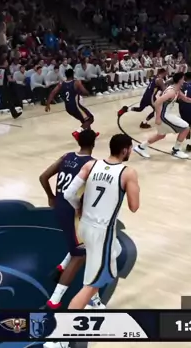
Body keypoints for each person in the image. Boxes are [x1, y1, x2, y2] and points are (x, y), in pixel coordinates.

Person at [47, 134, 140, 348]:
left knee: (114, 255)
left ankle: (95, 301)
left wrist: (79, 207)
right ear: (125, 150)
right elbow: (134, 206)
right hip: (102, 232)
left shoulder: (91, 165)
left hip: (84, 226)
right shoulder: (128, 173)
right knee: (91, 284)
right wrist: (133, 188)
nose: (131, 151)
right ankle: (59, 339)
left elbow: (69, 193)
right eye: (130, 148)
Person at [37, 129, 104, 309]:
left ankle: (62, 266)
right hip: (73, 212)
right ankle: (54, 300)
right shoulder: (92, 165)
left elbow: (43, 177)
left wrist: (51, 196)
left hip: (59, 207)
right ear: (94, 143)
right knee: (80, 254)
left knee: (81, 241)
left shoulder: (66, 157)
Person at [133, 72, 191, 159]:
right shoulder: (171, 92)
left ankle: (141, 147)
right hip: (163, 115)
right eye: (183, 79)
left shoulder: (177, 90)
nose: (184, 81)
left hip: (165, 114)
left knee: (161, 135)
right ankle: (176, 150)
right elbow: (157, 102)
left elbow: (186, 99)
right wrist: (158, 117)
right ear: (180, 80)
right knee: (186, 127)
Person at [45, 68, 95, 138]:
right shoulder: (76, 82)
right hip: (76, 106)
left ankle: (91, 134)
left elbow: (53, 93)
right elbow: (85, 92)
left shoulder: (61, 83)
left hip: (68, 107)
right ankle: (77, 132)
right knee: (90, 119)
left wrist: (47, 104)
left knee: (84, 120)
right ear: (73, 74)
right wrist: (88, 92)